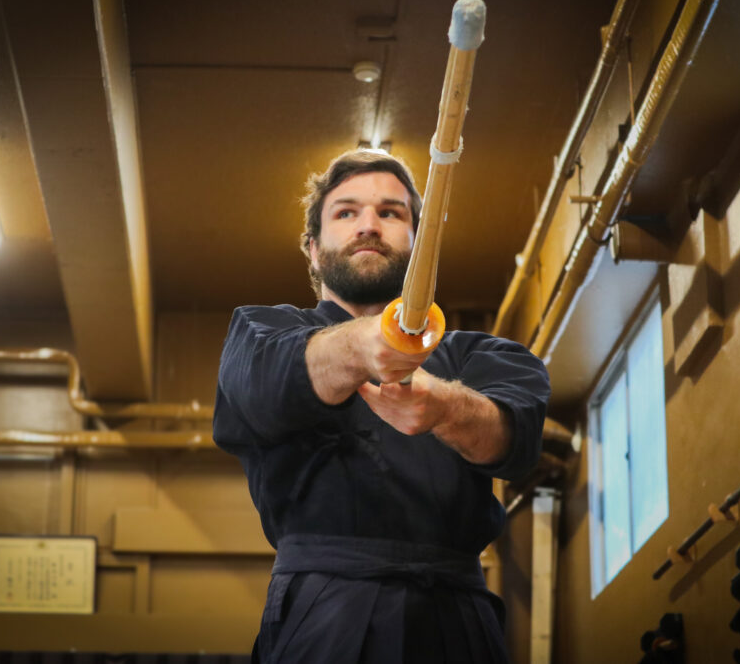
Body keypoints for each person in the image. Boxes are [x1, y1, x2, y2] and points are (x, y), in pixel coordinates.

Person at [213, 149, 550, 663]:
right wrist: (365, 344)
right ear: (312, 247)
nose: (368, 225)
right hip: (323, 613)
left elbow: (516, 439)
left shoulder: (483, 356)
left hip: (457, 616)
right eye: (346, 212)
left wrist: (446, 407)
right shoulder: (261, 333)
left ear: (422, 246)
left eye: (391, 213)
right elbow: (263, 387)